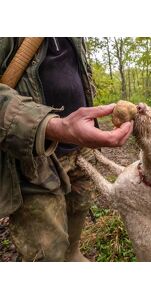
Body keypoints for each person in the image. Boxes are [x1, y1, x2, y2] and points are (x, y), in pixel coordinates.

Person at [0, 37, 133, 261]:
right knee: (48, 252)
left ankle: (73, 254)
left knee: (79, 205)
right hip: (32, 159)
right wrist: (53, 126)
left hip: (82, 149)